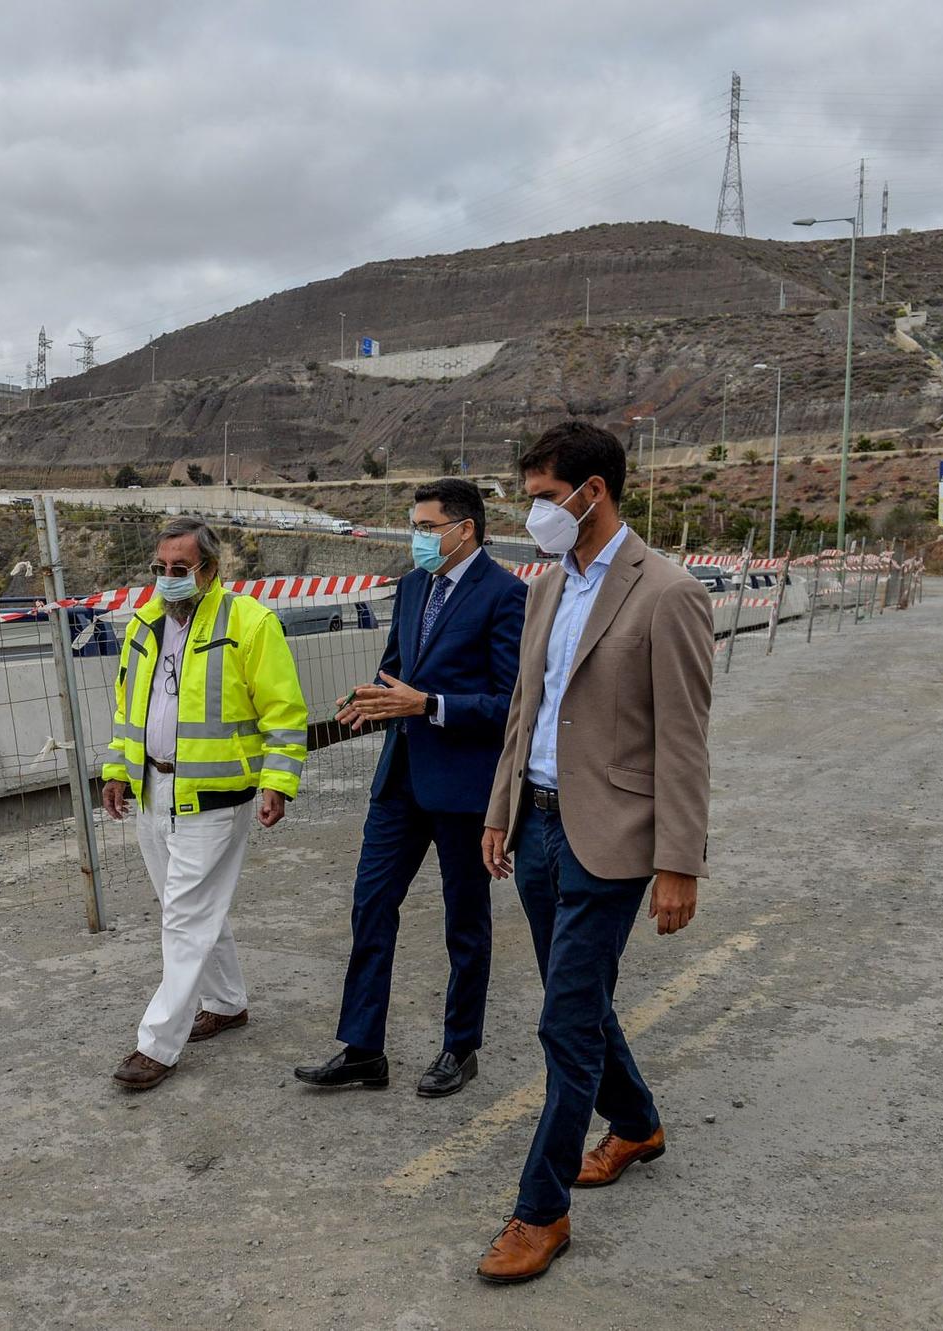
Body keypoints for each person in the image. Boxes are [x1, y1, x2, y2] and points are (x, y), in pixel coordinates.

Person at [474, 420, 714, 1284]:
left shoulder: (668, 592)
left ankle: (540, 1212)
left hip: (611, 839)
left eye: (541, 498)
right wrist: (500, 809)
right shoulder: (546, 587)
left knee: (564, 1019)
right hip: (536, 826)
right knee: (580, 999)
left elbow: (685, 740)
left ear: (592, 491)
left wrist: (680, 860)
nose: (531, 513)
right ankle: (639, 1121)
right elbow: (525, 711)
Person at [293, 478, 525, 1097]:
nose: (416, 538)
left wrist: (429, 706)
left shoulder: (506, 595)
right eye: (415, 527)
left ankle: (460, 1046)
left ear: (464, 529)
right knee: (371, 905)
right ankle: (363, 1047)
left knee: (464, 921)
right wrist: (372, 699)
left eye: (426, 527)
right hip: (399, 778)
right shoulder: (416, 583)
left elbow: (511, 704)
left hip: (464, 787)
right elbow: (396, 666)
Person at [100, 516, 309, 1091]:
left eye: (180, 569)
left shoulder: (249, 623)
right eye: (160, 568)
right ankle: (228, 1001)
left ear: (210, 570)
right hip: (153, 789)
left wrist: (279, 782)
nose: (168, 579)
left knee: (184, 918)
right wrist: (119, 769)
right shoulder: (143, 625)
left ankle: (156, 1044)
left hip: (216, 797)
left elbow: (284, 714)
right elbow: (128, 710)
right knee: (187, 906)